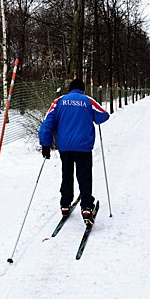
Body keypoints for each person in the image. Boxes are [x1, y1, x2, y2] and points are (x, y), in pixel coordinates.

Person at [39, 78, 110, 225]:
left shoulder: (59, 101)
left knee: (67, 174)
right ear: (82, 89)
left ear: (70, 89)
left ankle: (65, 204)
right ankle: (86, 207)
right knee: (84, 176)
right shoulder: (87, 100)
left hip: (65, 147)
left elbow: (47, 123)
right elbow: (103, 115)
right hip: (83, 146)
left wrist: (45, 144)